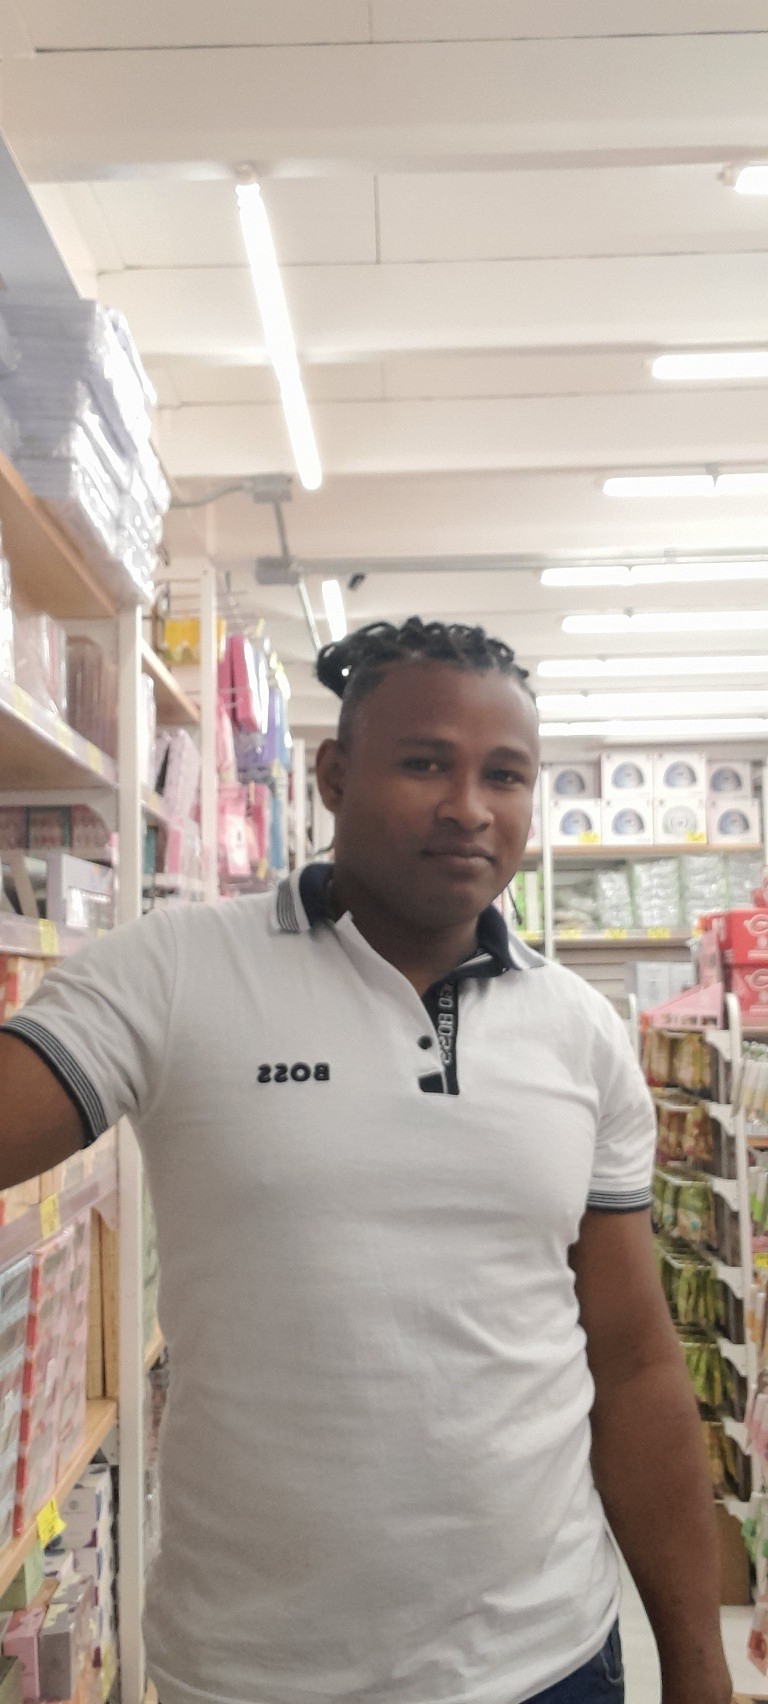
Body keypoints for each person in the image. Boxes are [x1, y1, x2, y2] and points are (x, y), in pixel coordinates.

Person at [0, 617, 731, 1704]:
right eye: (426, 763)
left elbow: (633, 1366)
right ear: (335, 775)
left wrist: (698, 1665)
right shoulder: (171, 974)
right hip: (255, 1674)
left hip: (551, 1659)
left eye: (506, 775)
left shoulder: (581, 1034)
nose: (469, 807)